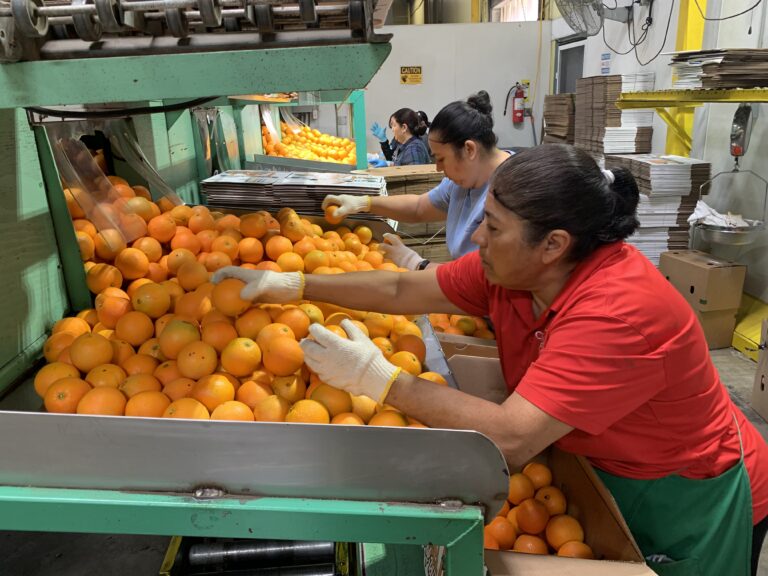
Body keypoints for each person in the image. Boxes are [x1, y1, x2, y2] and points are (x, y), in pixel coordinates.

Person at [214, 144, 768, 576]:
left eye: (494, 226)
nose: (476, 235)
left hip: (689, 490)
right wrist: (290, 283)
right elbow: (403, 292)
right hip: (608, 467)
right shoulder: (513, 270)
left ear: (552, 244)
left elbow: (511, 437)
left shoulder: (619, 311)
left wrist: (379, 379)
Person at [332, 91, 511, 270]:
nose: (438, 168)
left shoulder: (515, 191)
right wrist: (365, 202)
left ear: (469, 150)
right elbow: (419, 207)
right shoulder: (462, 181)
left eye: (441, 159)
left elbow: (481, 278)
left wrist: (417, 263)